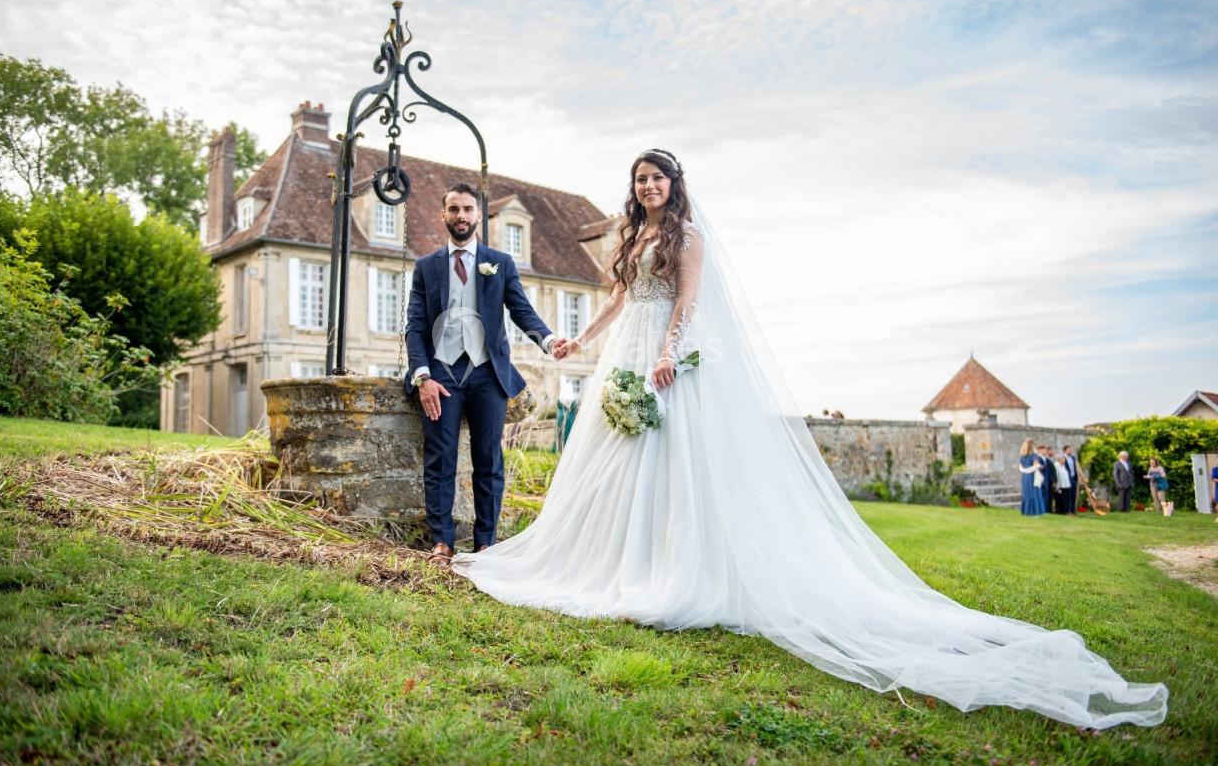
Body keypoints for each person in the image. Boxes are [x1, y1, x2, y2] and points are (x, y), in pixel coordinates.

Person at [450, 149, 1167, 729]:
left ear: (675, 185)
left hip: (667, 356)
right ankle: (609, 559)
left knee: (675, 463)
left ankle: (674, 565)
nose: (649, 186)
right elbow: (616, 300)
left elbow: (690, 301)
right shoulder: (630, 233)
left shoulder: (688, 237)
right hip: (627, 349)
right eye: (640, 179)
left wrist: (672, 350)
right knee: (614, 462)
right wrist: (584, 340)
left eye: (658, 177)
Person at [404, 183, 567, 564]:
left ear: (479, 216)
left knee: (489, 459)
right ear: (443, 215)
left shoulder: (500, 262)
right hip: (441, 375)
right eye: (454, 209)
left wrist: (548, 340)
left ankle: (485, 543)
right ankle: (442, 542)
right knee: (439, 458)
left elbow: (521, 310)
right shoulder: (426, 267)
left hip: (487, 373)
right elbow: (414, 325)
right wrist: (423, 376)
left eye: (467, 210)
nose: (461, 216)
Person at [1018, 438, 1045, 516]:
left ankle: (1026, 511)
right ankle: (1034, 511)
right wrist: (1040, 466)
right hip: (1032, 476)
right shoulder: (1034, 455)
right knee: (1034, 493)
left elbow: (1021, 467)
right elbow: (1035, 466)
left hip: (1025, 476)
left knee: (1026, 493)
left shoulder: (1022, 456)